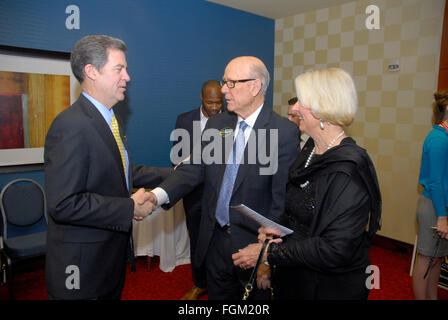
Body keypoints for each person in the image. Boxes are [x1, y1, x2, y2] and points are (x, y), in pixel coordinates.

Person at [151, 56, 299, 299]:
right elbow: (195, 167)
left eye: (230, 83)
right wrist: (157, 196)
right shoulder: (218, 123)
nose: (222, 90)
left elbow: (280, 201)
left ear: (255, 86)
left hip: (252, 248)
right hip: (215, 240)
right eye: (223, 81)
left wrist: (266, 257)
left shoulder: (282, 132)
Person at [233, 68, 382, 300]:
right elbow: (297, 209)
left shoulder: (348, 170)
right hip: (297, 276)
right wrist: (277, 229)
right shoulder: (311, 149)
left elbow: (335, 249)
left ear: (323, 109)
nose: (294, 108)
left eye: (302, 101)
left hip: (329, 287)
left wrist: (269, 253)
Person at [44, 35, 171, 300]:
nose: (128, 77)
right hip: (82, 266)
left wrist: (179, 171)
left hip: (107, 258)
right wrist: (129, 207)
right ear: (91, 71)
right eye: (119, 69)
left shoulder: (110, 119)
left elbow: (124, 172)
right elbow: (64, 203)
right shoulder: (71, 126)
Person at [173, 80, 223, 300]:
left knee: (220, 238)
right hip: (194, 192)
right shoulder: (185, 120)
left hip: (221, 192)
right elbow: (176, 155)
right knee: (196, 238)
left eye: (219, 102)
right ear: (201, 98)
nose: (215, 107)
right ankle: (199, 282)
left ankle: (219, 281)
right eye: (210, 102)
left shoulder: (231, 119)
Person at [412, 90, 448, 300]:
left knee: (437, 259)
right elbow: (435, 182)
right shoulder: (437, 139)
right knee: (426, 259)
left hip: (441, 206)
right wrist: (442, 217)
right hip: (434, 208)